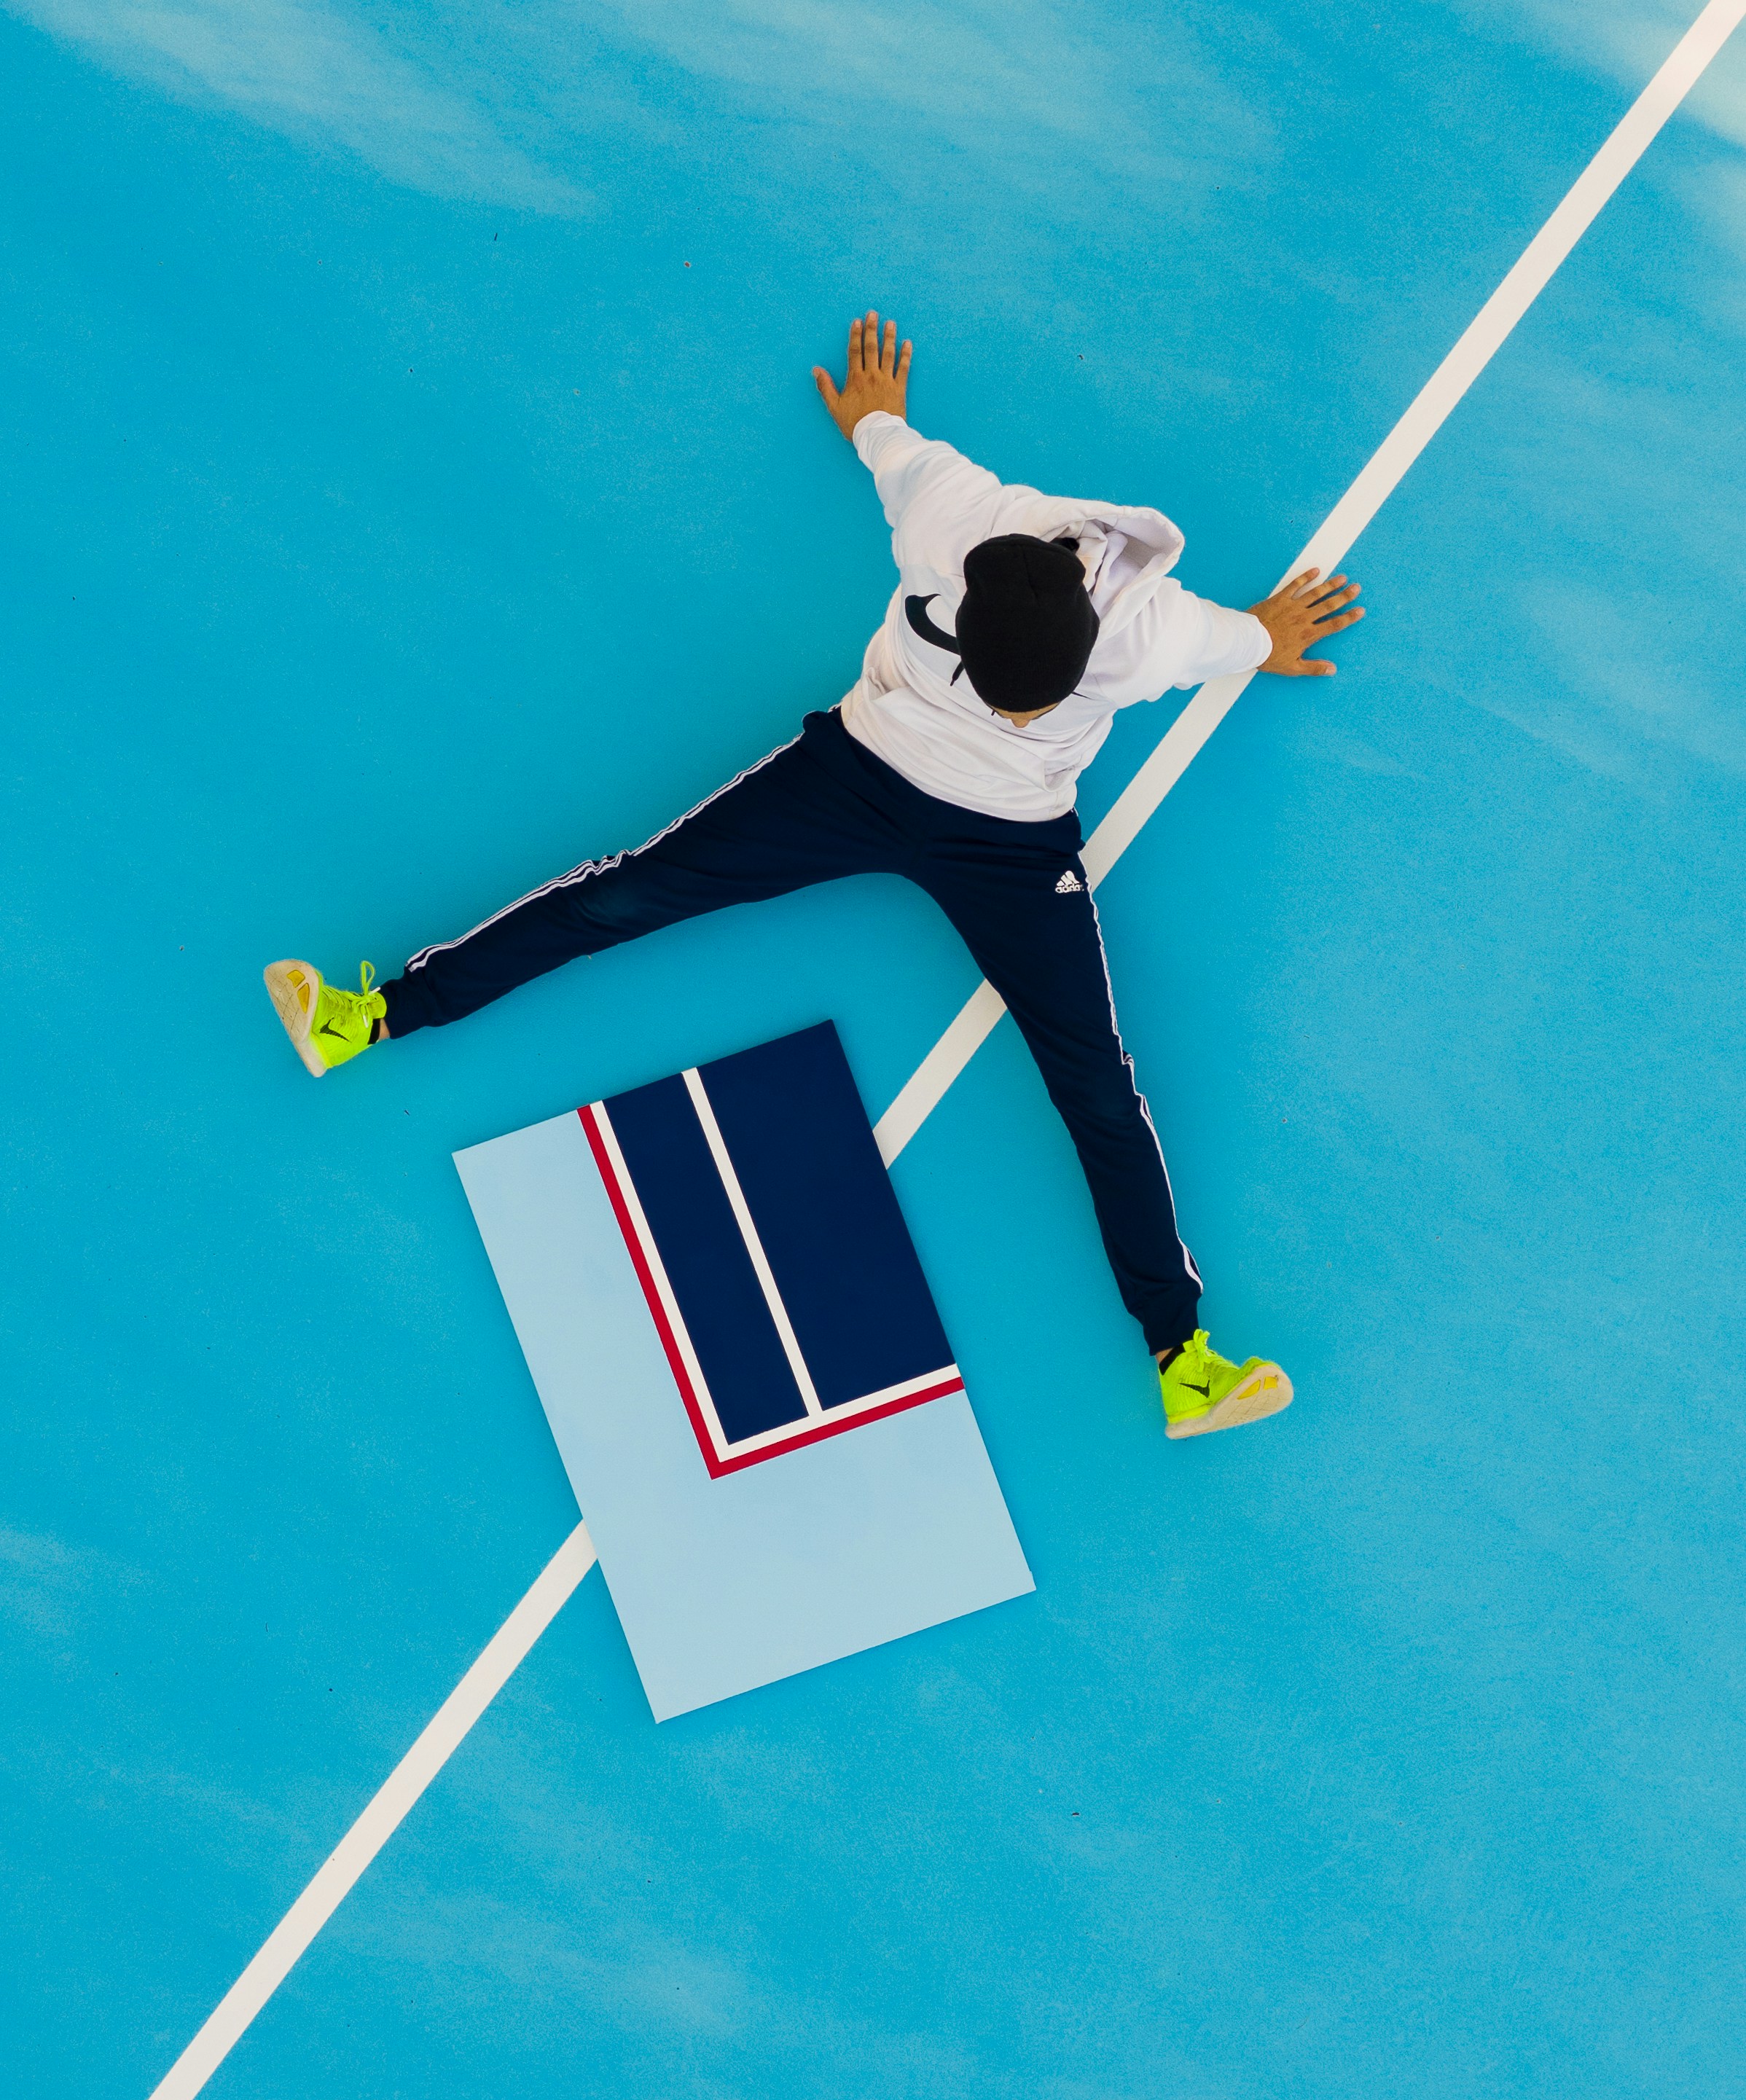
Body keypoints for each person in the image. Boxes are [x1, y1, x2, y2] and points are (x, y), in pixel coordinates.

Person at [265, 310, 1363, 1439]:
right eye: (1010, 693)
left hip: (1011, 840)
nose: (1025, 707)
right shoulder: (956, 519)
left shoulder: (1154, 628)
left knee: (1095, 1080)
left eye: (1037, 700)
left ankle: (1183, 1354)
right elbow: (895, 451)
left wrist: (1270, 634)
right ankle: (369, 1015)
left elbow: (1241, 640)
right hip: (855, 773)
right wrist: (874, 416)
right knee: (627, 889)